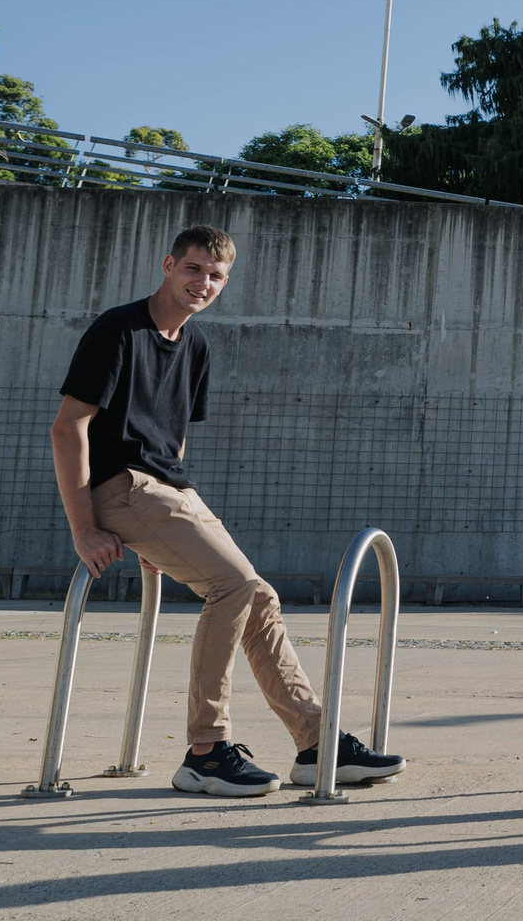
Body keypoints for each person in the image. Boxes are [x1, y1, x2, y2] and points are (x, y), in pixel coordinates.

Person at [49, 224, 406, 798]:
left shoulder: (195, 345)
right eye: (194, 269)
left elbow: (173, 441)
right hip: (121, 487)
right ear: (168, 265)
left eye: (216, 276)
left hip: (168, 493)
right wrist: (85, 528)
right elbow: (68, 427)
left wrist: (166, 538)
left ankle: (317, 746)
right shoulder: (118, 330)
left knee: (259, 595)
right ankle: (206, 752)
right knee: (234, 585)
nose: (204, 283)